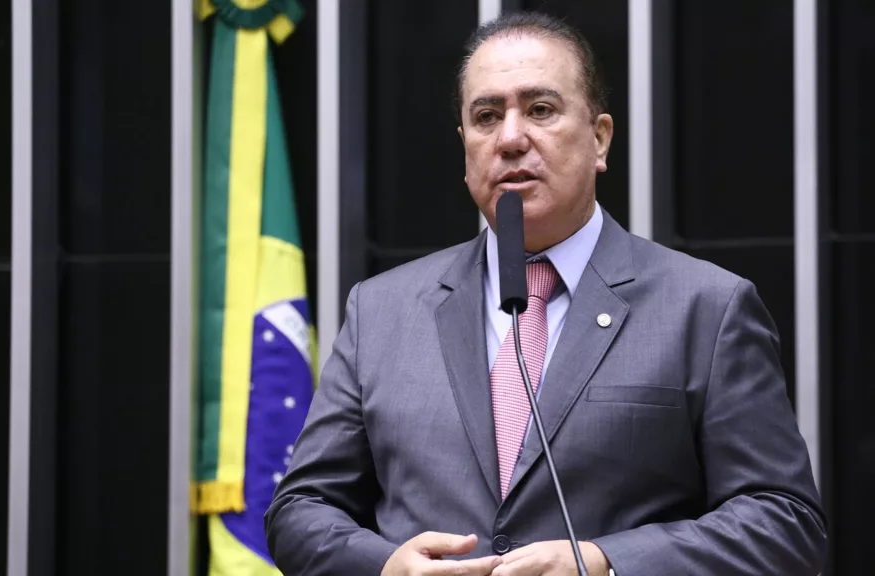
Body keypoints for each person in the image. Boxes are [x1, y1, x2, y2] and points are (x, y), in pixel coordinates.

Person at [265, 11, 827, 576]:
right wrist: (386, 566)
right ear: (465, 148)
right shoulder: (380, 311)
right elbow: (300, 509)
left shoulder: (706, 308)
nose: (510, 138)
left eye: (540, 110)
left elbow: (783, 520)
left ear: (600, 137)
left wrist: (606, 563)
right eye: (487, 117)